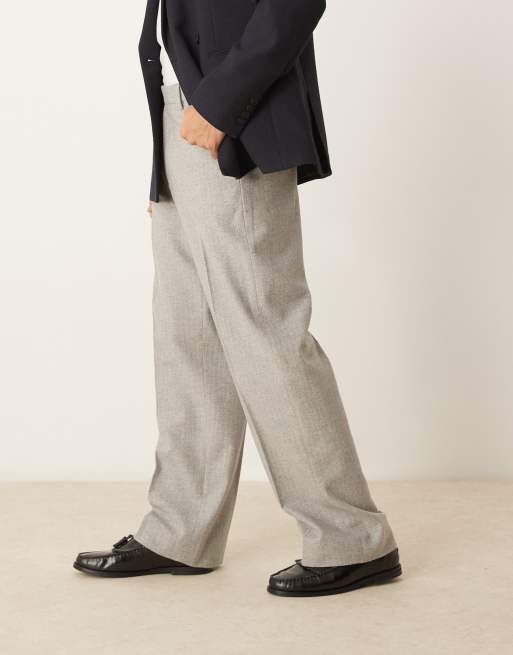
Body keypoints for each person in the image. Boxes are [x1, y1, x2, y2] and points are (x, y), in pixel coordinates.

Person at [73, 0, 401, 597]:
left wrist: (218, 107)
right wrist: (167, 165)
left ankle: (352, 538)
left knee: (264, 331)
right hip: (182, 115)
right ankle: (181, 531)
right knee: (187, 335)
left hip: (232, 116)